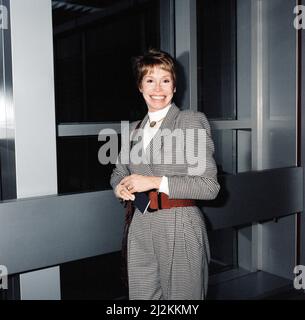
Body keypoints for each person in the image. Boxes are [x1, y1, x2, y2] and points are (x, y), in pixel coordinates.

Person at [110, 49, 220, 300]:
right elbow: (118, 172)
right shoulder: (134, 130)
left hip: (179, 224)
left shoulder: (189, 121)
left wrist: (153, 182)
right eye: (150, 80)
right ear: (140, 86)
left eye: (165, 80)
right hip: (140, 225)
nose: (158, 88)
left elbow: (209, 187)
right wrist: (119, 187)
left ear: (174, 85)